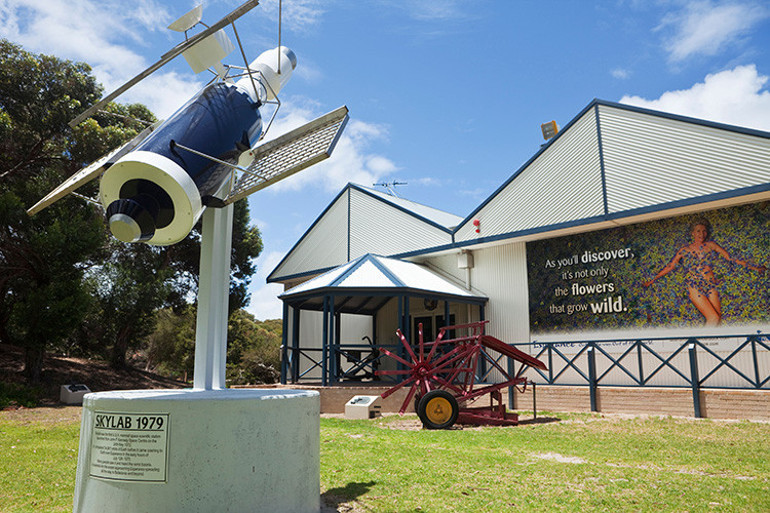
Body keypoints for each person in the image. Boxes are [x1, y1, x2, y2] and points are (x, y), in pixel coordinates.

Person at [642, 218, 766, 326]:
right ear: (692, 233)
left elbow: (730, 258)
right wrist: (653, 280)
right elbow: (670, 266)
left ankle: (712, 347)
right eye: (698, 231)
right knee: (713, 318)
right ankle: (701, 345)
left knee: (718, 320)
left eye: (704, 231)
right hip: (695, 286)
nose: (702, 234)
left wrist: (754, 268)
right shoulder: (685, 250)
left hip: (711, 285)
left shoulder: (711, 245)